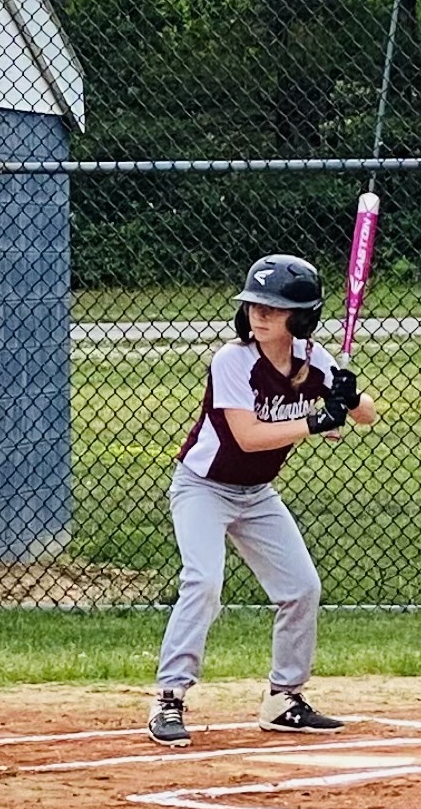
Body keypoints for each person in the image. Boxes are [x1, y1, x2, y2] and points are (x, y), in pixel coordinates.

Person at [148, 254, 378, 747]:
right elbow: (248, 437)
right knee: (203, 582)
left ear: (301, 318)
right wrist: (315, 422)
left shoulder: (313, 358)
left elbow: (366, 416)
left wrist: (349, 396)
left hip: (256, 495)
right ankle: (169, 697)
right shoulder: (233, 360)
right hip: (203, 487)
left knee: (301, 588)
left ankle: (284, 699)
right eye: (254, 304)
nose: (260, 314)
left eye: (273, 308)